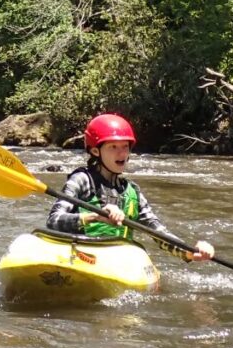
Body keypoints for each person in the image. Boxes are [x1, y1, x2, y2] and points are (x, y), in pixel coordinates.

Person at [46, 113, 215, 263]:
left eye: (125, 147)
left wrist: (190, 252)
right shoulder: (81, 180)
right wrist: (95, 217)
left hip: (119, 259)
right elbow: (53, 221)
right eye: (113, 147)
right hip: (82, 255)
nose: (122, 154)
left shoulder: (132, 191)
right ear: (96, 151)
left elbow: (157, 231)